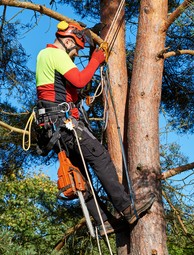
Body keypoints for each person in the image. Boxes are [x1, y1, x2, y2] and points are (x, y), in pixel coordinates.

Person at [35, 21, 155, 236]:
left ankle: (103, 222)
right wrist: (96, 60)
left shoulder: (45, 57)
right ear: (68, 40)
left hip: (54, 127)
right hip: (63, 124)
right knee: (99, 157)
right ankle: (127, 208)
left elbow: (71, 88)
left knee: (81, 175)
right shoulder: (54, 54)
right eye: (75, 49)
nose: (74, 54)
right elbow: (80, 80)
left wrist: (93, 59)